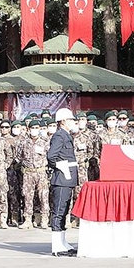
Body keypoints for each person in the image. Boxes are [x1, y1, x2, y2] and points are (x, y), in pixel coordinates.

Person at [47, 108, 79, 257]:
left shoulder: (66, 135)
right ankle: (56, 245)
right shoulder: (60, 135)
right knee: (59, 212)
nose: (73, 122)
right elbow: (51, 157)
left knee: (64, 210)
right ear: (64, 121)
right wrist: (62, 167)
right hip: (61, 179)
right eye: (71, 120)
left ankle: (63, 242)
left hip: (67, 178)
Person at [16, 120, 50, 229]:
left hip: (41, 172)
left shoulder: (45, 142)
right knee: (27, 197)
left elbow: (50, 156)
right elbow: (18, 156)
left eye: (37, 128)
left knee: (43, 196)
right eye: (32, 128)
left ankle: (44, 219)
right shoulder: (23, 142)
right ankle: (28, 220)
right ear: (29, 129)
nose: (34, 130)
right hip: (28, 173)